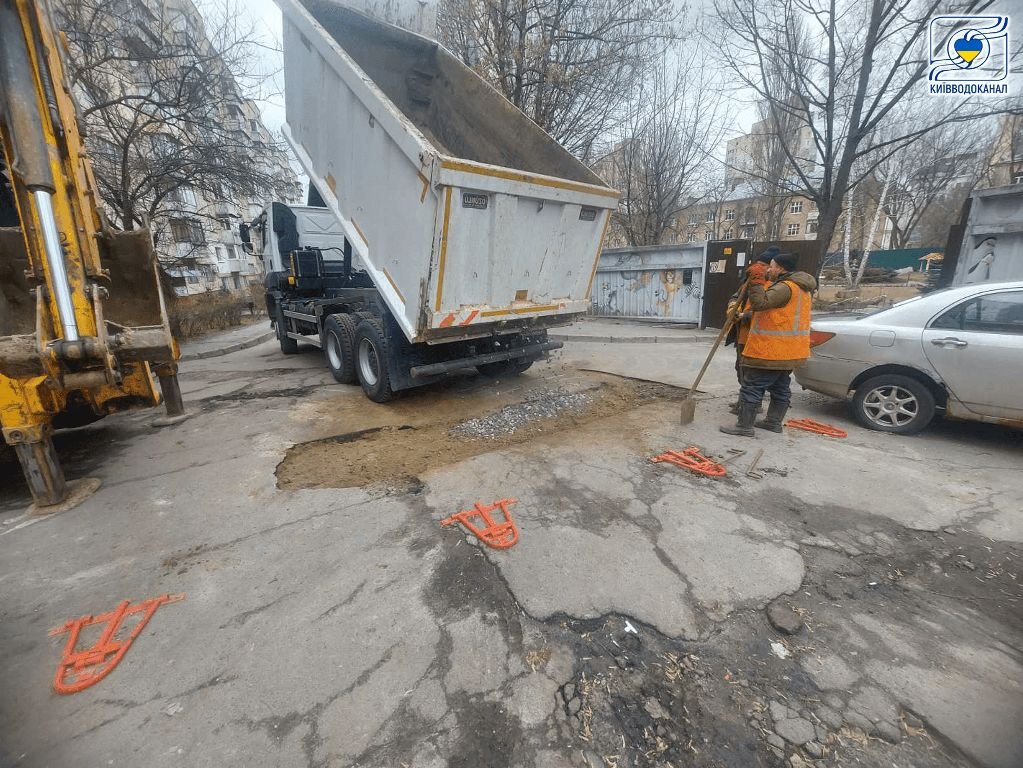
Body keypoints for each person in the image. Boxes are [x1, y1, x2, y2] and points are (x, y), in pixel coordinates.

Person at [720, 251, 817, 437]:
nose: (769, 270)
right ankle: (773, 423)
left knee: (752, 386)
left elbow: (760, 303)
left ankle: (744, 427)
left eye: (771, 266)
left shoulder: (785, 287)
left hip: (772, 350)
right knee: (780, 387)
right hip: (789, 351)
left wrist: (756, 281)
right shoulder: (801, 288)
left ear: (780, 268)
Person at [725, 246, 779, 415]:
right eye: (759, 263)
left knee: (752, 375)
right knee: (740, 369)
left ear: (772, 267)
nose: (760, 268)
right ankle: (744, 401)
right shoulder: (751, 281)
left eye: (764, 265)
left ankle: (753, 404)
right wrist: (733, 309)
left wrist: (745, 315)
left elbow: (764, 309)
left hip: (757, 337)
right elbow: (736, 296)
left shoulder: (774, 286)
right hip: (742, 335)